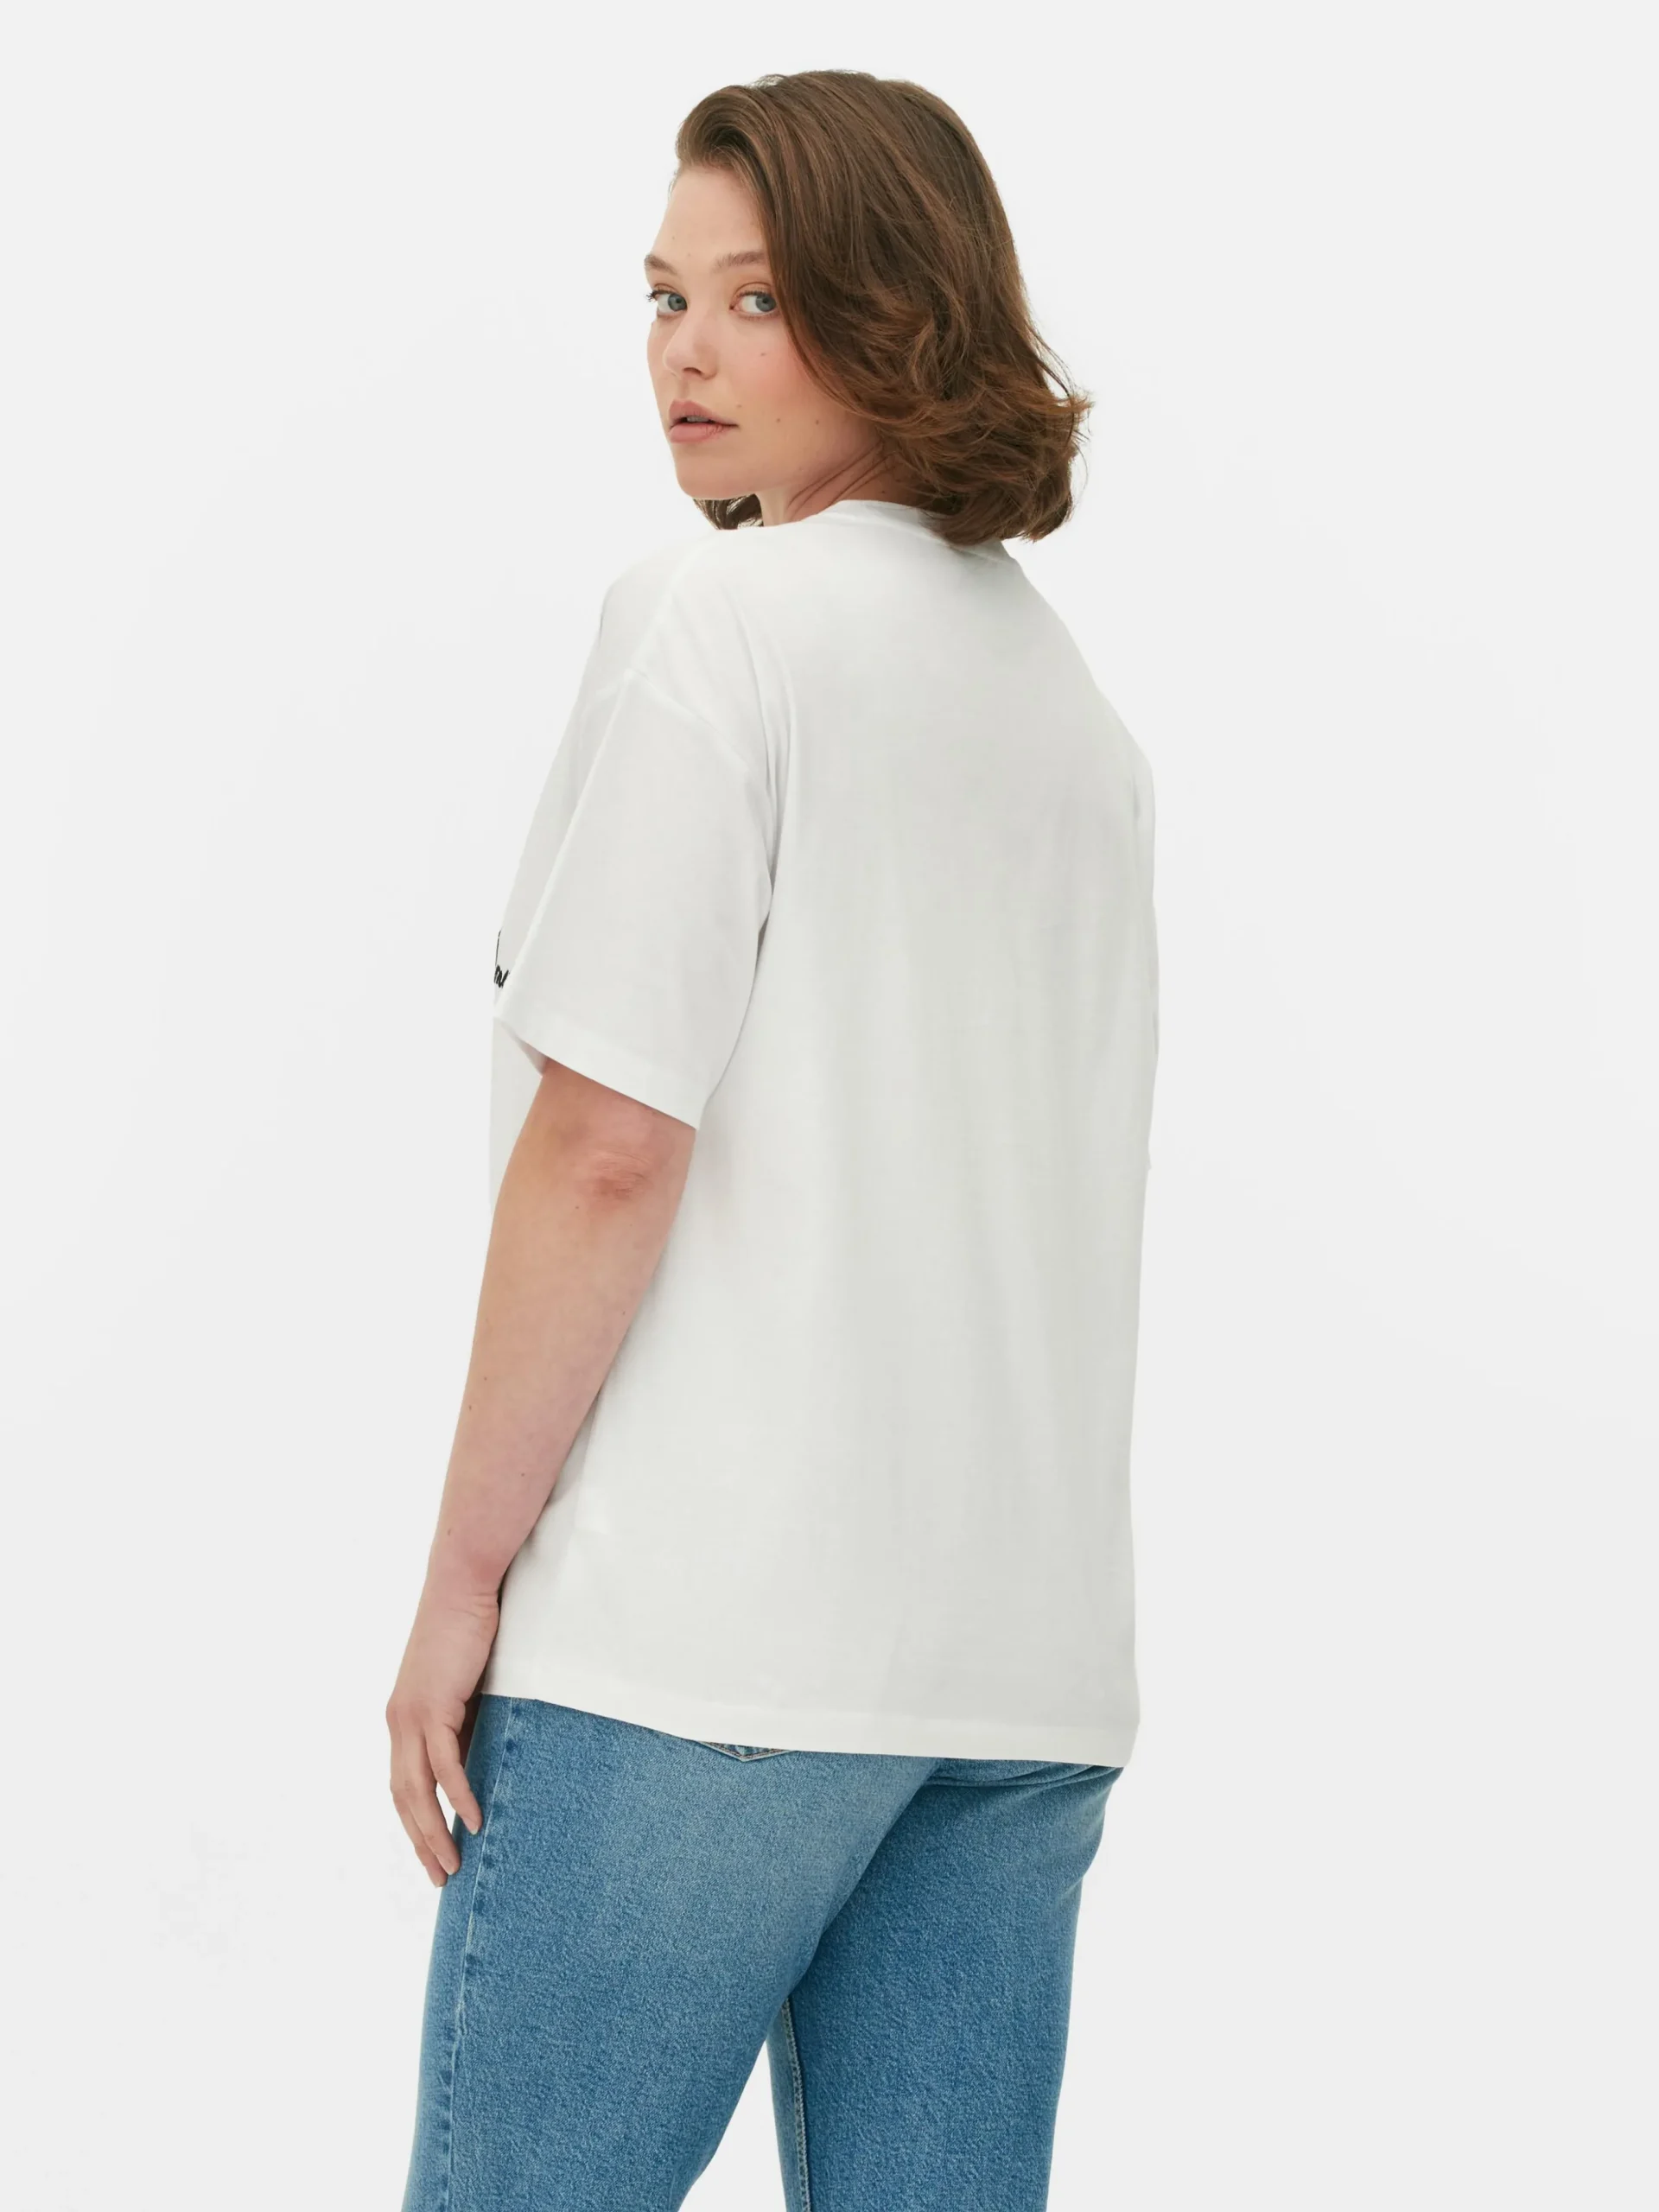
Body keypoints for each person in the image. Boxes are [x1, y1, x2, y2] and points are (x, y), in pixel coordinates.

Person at [389, 67, 1160, 2212]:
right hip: (1017, 1681)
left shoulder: (716, 622)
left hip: (701, 1650)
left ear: (899, 312)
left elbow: (607, 1145)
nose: (688, 352)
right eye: (663, 296)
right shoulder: (1081, 727)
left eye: (757, 296)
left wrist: (461, 1584)